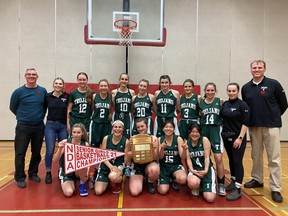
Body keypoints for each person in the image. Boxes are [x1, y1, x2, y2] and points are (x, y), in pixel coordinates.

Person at [241, 60, 288, 203]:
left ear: (264, 69)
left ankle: (275, 188)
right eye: (254, 68)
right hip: (254, 126)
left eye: (259, 67)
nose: (257, 70)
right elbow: (246, 108)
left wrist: (272, 116)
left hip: (271, 126)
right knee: (256, 155)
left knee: (274, 158)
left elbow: (284, 104)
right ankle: (257, 179)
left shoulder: (274, 84)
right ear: (250, 70)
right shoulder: (246, 88)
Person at [9, 68, 47, 188]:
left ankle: (33, 173)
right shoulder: (18, 92)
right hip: (23, 126)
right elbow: (12, 107)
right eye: (29, 74)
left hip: (38, 126)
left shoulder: (42, 91)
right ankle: (20, 177)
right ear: (25, 76)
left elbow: (45, 106)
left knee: (36, 152)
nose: (31, 76)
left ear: (37, 76)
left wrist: (37, 117)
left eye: (34, 74)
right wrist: (23, 117)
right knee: (20, 153)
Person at [221, 83, 250, 201]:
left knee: (238, 161)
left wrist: (240, 138)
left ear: (237, 91)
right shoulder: (225, 104)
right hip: (227, 137)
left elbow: (245, 123)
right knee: (231, 160)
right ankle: (233, 181)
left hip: (238, 138)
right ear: (227, 91)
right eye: (229, 91)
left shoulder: (243, 105)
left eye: (234, 91)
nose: (231, 93)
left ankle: (238, 188)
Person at [199, 82, 226, 196]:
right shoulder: (200, 103)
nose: (210, 92)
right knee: (204, 158)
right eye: (208, 90)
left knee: (218, 158)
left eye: (212, 90)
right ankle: (204, 182)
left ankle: (221, 184)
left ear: (215, 91)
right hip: (204, 131)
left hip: (216, 131)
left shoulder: (220, 101)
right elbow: (199, 116)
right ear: (204, 91)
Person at [53, 123, 90, 197]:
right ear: (71, 133)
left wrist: (86, 173)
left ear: (82, 133)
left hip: (79, 171)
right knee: (69, 192)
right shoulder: (66, 142)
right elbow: (55, 160)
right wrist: (60, 148)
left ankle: (82, 183)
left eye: (78, 132)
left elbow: (87, 162)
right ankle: (69, 180)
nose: (76, 134)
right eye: (74, 132)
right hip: (67, 171)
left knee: (82, 164)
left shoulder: (85, 144)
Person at [94, 120, 130, 195]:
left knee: (113, 176)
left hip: (118, 166)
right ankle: (106, 180)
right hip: (106, 165)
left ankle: (118, 182)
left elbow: (126, 161)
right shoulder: (106, 138)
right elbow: (102, 156)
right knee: (98, 191)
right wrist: (110, 167)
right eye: (115, 127)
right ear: (112, 128)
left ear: (123, 129)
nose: (117, 129)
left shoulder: (126, 141)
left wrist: (128, 156)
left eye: (120, 127)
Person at [88, 79, 113, 188]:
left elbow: (113, 110)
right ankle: (90, 175)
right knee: (93, 150)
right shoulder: (94, 97)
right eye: (101, 86)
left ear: (108, 87)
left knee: (104, 149)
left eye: (105, 86)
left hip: (106, 125)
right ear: (98, 87)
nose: (103, 88)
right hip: (96, 124)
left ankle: (101, 172)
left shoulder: (111, 97)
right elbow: (92, 109)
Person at [44, 77, 69, 184]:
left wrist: (68, 124)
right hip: (50, 125)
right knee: (50, 149)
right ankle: (48, 172)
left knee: (63, 149)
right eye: (56, 83)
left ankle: (61, 170)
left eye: (60, 84)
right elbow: (43, 109)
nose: (58, 85)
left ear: (63, 85)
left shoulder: (67, 96)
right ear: (53, 84)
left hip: (63, 125)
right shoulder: (48, 96)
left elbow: (69, 111)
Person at [128, 118, 160, 196]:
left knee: (155, 169)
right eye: (138, 127)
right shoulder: (133, 139)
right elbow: (130, 158)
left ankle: (150, 182)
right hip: (137, 165)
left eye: (142, 126)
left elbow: (156, 158)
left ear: (147, 126)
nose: (140, 129)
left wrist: (153, 149)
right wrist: (131, 148)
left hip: (149, 164)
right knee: (135, 192)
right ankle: (142, 177)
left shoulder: (154, 138)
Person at [186, 123, 217, 203]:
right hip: (195, 170)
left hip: (206, 170)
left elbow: (207, 157)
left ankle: (205, 186)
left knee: (210, 198)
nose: (195, 134)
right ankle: (197, 186)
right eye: (192, 132)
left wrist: (206, 170)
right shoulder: (187, 143)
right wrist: (192, 170)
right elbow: (188, 159)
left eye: (197, 132)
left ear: (200, 133)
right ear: (189, 133)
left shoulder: (204, 140)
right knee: (193, 183)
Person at [157, 121, 187, 195]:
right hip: (163, 167)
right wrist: (162, 149)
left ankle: (174, 179)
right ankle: (161, 180)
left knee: (183, 179)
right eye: (166, 127)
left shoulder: (178, 139)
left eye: (170, 127)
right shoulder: (159, 139)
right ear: (163, 129)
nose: (168, 129)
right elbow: (160, 157)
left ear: (174, 129)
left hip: (175, 166)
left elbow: (182, 157)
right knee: (163, 191)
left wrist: (184, 150)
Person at [112, 73, 135, 139]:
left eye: (126, 79)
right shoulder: (114, 92)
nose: (124, 81)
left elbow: (132, 106)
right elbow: (114, 105)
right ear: (119, 80)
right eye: (122, 79)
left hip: (127, 115)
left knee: (127, 134)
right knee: (116, 132)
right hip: (117, 114)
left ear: (128, 81)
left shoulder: (131, 92)